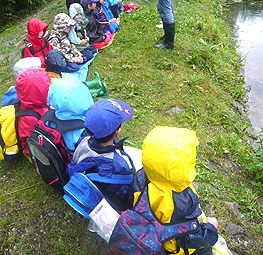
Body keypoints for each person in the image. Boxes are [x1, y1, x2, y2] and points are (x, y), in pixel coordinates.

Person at [129, 126, 219, 254]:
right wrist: (211, 227)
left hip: (147, 232)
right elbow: (192, 239)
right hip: (170, 247)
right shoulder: (184, 201)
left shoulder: (141, 177)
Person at [67, 99, 134, 210]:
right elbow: (124, 192)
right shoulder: (120, 164)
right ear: (117, 131)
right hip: (111, 202)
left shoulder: (83, 141)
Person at [15, 69, 51, 159]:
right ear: (38, 93)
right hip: (35, 151)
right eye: (46, 90)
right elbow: (31, 144)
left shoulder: (35, 104)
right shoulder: (29, 118)